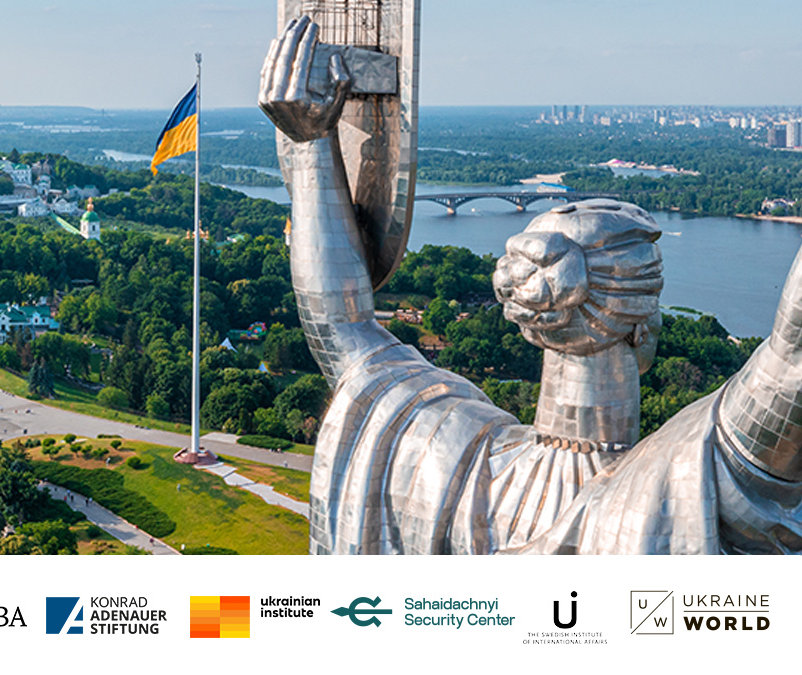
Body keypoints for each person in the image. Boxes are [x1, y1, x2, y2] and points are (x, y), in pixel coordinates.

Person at [260, 16, 802, 555]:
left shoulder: (449, 456)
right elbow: (790, 360)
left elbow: (340, 327)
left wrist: (310, 141)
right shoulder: (669, 493)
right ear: (643, 330)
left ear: (534, 324)